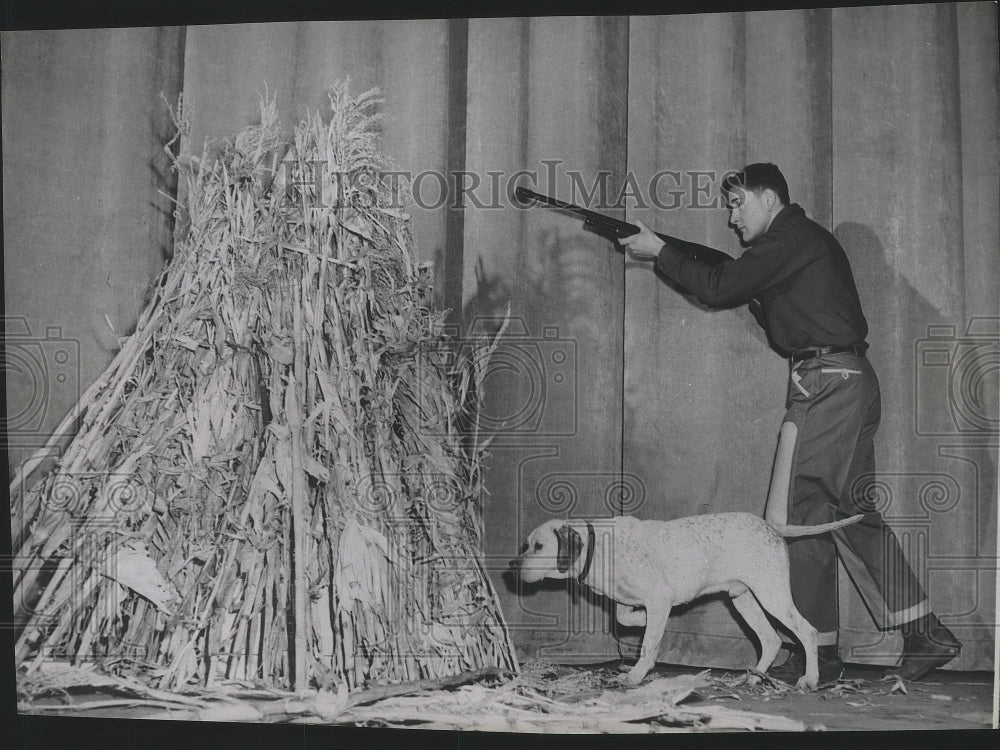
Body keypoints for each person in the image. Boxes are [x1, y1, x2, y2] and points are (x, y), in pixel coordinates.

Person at [619, 163, 961, 685]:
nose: (731, 218)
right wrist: (688, 258)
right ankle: (921, 630)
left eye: (736, 204)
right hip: (845, 379)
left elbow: (720, 287)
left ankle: (819, 653)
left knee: (799, 513)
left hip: (825, 381)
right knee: (845, 513)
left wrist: (661, 253)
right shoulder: (795, 246)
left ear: (767, 197)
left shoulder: (790, 236)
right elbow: (746, 290)